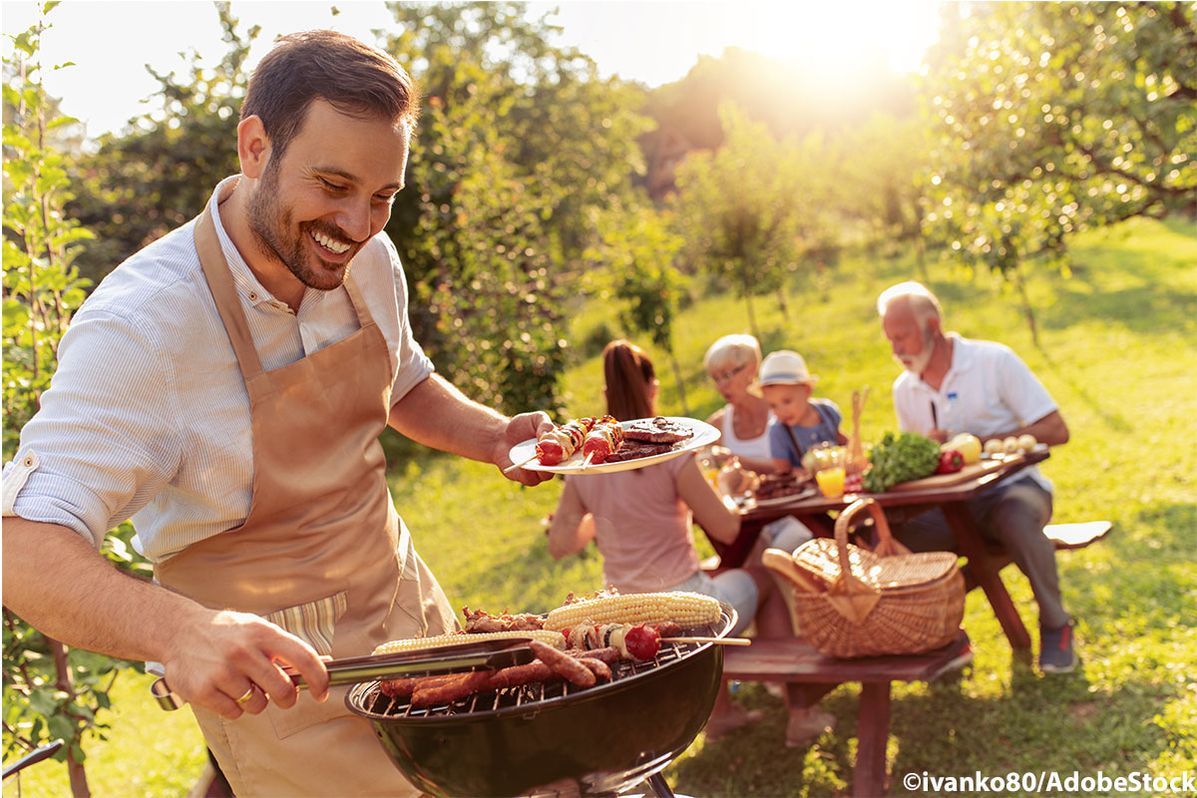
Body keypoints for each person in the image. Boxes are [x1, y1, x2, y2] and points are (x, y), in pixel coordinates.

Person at [1, 31, 554, 797]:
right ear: (256, 146)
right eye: (333, 185)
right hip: (281, 691)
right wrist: (178, 631)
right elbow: (20, 546)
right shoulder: (143, 329)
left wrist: (493, 436)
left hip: (408, 619)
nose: (358, 226)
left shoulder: (367, 259)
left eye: (382, 197)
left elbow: (403, 380)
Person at [547, 340, 830, 746]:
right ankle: (799, 712)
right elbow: (728, 528)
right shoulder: (671, 453)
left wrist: (601, 517)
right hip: (685, 606)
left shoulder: (584, 467)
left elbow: (560, 544)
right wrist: (730, 488)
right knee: (763, 575)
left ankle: (723, 714)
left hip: (621, 615)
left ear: (607, 395)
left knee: (726, 574)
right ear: (651, 389)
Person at [876, 281, 1077, 673]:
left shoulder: (993, 361)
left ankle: (1056, 625)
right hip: (950, 507)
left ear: (932, 326)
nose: (895, 349)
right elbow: (922, 465)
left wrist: (978, 442)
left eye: (901, 337)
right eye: (889, 339)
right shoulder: (905, 389)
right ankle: (947, 640)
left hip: (1014, 490)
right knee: (891, 542)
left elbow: (1056, 429)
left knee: (1015, 520)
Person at [759, 350, 848, 475]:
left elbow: (842, 441)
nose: (781, 411)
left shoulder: (827, 412)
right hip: (807, 490)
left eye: (787, 401)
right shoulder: (778, 431)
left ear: (807, 391)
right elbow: (783, 471)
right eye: (773, 405)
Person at [703, 334, 780, 476]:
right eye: (716, 379)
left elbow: (792, 466)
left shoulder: (780, 411)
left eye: (726, 375)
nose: (721, 386)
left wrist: (734, 459)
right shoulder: (716, 427)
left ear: (751, 369)